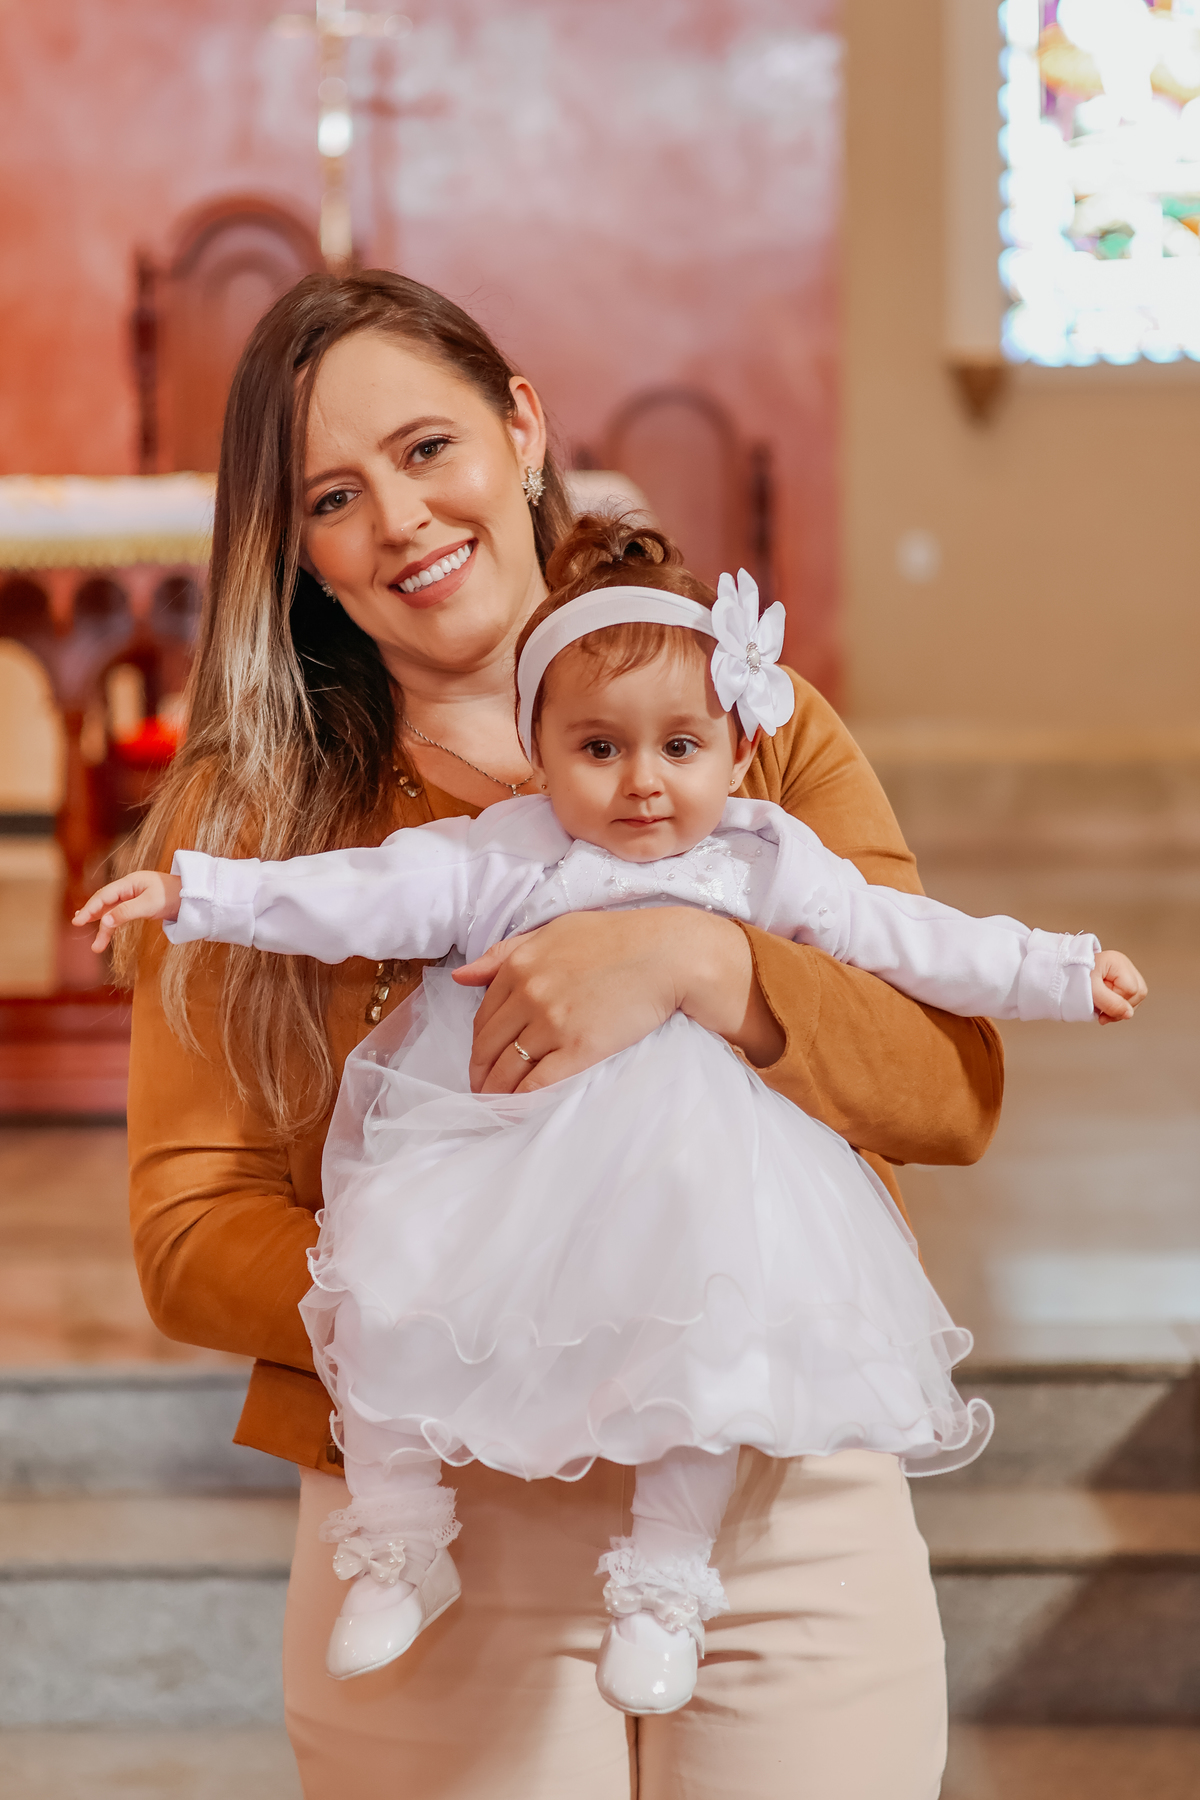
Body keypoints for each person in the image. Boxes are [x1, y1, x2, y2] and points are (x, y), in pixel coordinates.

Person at [108, 268, 1012, 1799]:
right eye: (333, 496)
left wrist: (698, 962)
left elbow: (947, 1086)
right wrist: (499, 1300)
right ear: (298, 548)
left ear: (520, 428)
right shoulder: (253, 817)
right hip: (434, 1523)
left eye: (427, 448)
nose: (400, 518)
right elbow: (187, 1232)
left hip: (771, 1499)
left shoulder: (751, 726)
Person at [82, 518, 1145, 1718]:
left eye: (680, 746)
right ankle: (400, 1538)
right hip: (505, 1166)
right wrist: (198, 891)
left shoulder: (765, 860)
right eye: (599, 748)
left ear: (740, 748)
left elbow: (915, 942)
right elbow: (359, 893)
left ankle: (666, 1582)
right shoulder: (504, 853)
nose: (643, 780)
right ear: (538, 752)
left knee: (709, 1329)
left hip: (694, 1169)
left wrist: (1063, 969)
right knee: (381, 1278)